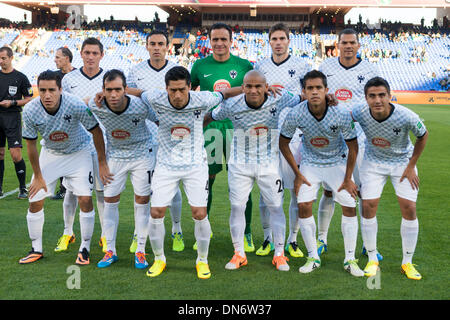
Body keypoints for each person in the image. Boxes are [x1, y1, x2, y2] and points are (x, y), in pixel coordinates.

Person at [139, 66, 239, 279]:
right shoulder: (155, 98)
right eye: (172, 90)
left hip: (195, 165)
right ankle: (159, 259)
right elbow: (137, 93)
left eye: (182, 90)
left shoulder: (202, 99)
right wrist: (106, 92)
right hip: (165, 166)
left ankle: (202, 261)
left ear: (189, 88)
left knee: (199, 213)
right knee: (156, 213)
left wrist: (252, 88)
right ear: (165, 88)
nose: (177, 95)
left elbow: (226, 93)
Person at [205, 70, 302, 272]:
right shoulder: (231, 104)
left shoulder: (279, 99)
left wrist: (327, 98)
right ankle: (239, 253)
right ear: (243, 88)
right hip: (240, 164)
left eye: (258, 86)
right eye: (249, 86)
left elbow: (304, 98)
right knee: (237, 207)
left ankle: (279, 254)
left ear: (266, 87)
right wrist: (195, 133)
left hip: (269, 163)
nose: (253, 90)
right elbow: (209, 116)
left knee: (276, 207)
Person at [279, 70, 364, 276]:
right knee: (304, 205)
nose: (314, 92)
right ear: (304, 91)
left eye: (318, 88)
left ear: (327, 90)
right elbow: (283, 143)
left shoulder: (341, 113)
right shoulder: (296, 113)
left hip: (337, 162)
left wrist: (347, 178)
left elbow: (353, 147)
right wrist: (298, 174)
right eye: (310, 88)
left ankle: (350, 259)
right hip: (310, 163)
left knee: (349, 205)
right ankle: (312, 257)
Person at [18, 70, 107, 265]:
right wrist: (38, 176)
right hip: (51, 154)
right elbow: (31, 145)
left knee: (85, 199)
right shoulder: (31, 110)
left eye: (52, 90)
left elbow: (96, 130)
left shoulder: (74, 103)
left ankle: (85, 248)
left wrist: (101, 162)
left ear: (60, 89)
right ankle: (36, 248)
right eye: (42, 90)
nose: (47, 95)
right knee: (35, 199)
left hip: (79, 152)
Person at [352, 77, 428, 280]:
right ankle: (372, 258)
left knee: (409, 208)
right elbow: (342, 116)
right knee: (368, 206)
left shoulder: (405, 115)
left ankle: (407, 263)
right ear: (366, 98)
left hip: (402, 163)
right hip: (372, 162)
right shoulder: (359, 111)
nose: (377, 100)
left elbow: (423, 135)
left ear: (389, 95)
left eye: (381, 95)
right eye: (372, 96)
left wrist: (411, 165)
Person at [190, 23, 255, 252]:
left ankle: (246, 233)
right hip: (211, 129)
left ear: (231, 41)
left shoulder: (244, 65)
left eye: (223, 39)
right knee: (207, 180)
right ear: (209, 41)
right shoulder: (199, 65)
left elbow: (254, 90)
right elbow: (189, 94)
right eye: (215, 39)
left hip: (240, 129)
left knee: (243, 183)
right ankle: (203, 229)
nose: (219, 43)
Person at [318, 28, 382, 260]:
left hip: (361, 140)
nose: (347, 46)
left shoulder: (370, 70)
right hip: (332, 140)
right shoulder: (326, 68)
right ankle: (321, 239)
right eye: (344, 42)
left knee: (365, 192)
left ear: (358, 45)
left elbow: (377, 101)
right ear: (337, 44)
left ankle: (368, 244)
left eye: (352, 42)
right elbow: (316, 95)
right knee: (328, 190)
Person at [89, 70, 157, 269]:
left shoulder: (140, 105)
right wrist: (102, 162)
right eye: (108, 90)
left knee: (142, 200)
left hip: (142, 154)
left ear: (126, 89)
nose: (113, 95)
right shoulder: (96, 105)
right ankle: (110, 250)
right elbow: (96, 132)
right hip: (115, 156)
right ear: (102, 91)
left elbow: (161, 121)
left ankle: (141, 251)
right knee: (109, 200)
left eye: (118, 89)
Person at [254, 23, 311, 258]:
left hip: (294, 134)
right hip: (265, 134)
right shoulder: (260, 66)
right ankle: (268, 238)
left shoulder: (301, 66)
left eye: (282, 38)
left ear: (289, 41)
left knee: (296, 189)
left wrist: (288, 97)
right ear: (269, 42)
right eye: (274, 38)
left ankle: (293, 240)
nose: (278, 42)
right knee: (265, 191)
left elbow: (307, 95)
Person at [127, 30, 184, 253]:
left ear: (168, 46)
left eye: (161, 43)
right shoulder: (136, 70)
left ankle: (177, 229)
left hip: (171, 136)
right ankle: (138, 232)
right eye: (153, 44)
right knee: (143, 189)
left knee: (174, 186)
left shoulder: (177, 69)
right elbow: (129, 96)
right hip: (143, 137)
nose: (157, 47)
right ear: (147, 46)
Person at [57, 37, 107, 253]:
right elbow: (63, 108)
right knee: (71, 191)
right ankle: (68, 232)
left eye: (95, 53)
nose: (90, 57)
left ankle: (105, 235)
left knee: (101, 190)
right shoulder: (68, 79)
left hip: (102, 141)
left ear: (101, 55)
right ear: (81, 54)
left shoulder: (108, 78)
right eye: (87, 52)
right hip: (75, 143)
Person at [0, 46, 33, 198]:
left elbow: (28, 98)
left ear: (11, 58)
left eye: (4, 58)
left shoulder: (20, 77)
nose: (1, 61)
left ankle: (22, 188)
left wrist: (12, 103)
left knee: (15, 154)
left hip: (12, 117)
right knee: (0, 154)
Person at [51, 47, 76, 200]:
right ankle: (63, 188)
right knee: (61, 155)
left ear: (67, 58)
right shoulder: (54, 77)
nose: (55, 60)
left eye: (58, 57)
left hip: (76, 123)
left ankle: (76, 187)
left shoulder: (77, 75)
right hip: (59, 122)